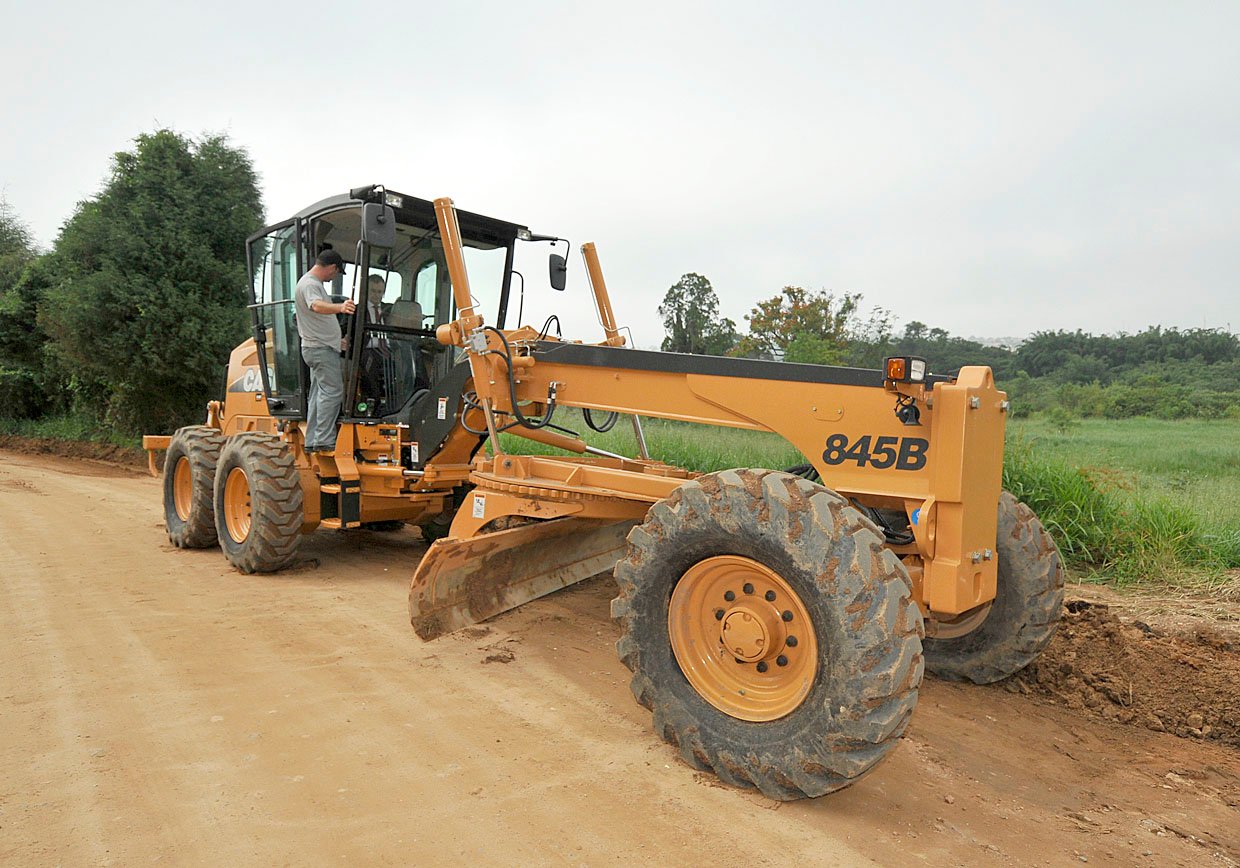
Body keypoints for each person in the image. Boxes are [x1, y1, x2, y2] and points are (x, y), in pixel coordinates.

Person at [295, 249, 355, 451]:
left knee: (318, 394)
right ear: (331, 267)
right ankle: (323, 440)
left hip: (319, 347)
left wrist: (336, 341)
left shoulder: (309, 283)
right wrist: (341, 307)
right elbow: (316, 306)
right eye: (336, 273)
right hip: (320, 350)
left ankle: (313, 439)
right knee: (333, 391)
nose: (334, 277)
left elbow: (318, 322)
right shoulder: (311, 284)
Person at [359, 274, 391, 401]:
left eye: (380, 292)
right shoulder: (358, 310)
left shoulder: (390, 309)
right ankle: (373, 399)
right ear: (366, 290)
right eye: (373, 291)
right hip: (369, 349)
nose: (376, 295)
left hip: (389, 349)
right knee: (369, 360)